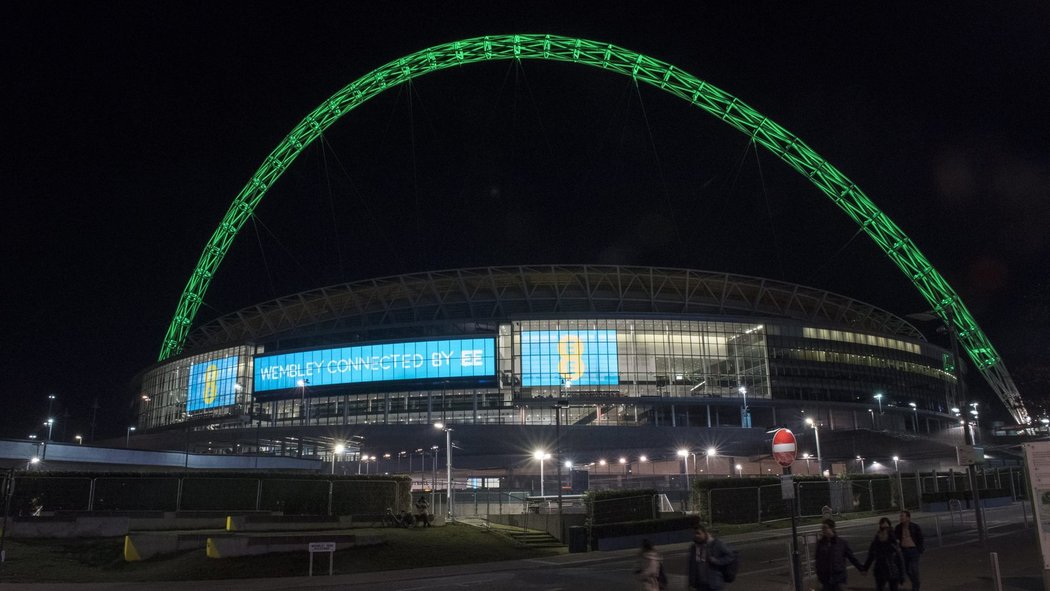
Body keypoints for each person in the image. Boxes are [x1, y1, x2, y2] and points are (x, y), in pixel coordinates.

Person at [815, 518, 864, 591]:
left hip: (838, 578)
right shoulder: (820, 543)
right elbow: (818, 560)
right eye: (822, 528)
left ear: (832, 528)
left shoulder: (841, 543)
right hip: (825, 578)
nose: (823, 530)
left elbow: (852, 558)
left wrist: (861, 569)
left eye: (825, 528)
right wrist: (819, 575)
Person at [861, 517, 905, 591]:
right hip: (880, 570)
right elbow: (871, 555)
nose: (884, 532)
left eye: (886, 528)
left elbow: (900, 558)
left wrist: (902, 575)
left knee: (893, 588)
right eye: (883, 528)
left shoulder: (893, 541)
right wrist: (865, 568)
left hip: (892, 570)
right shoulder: (876, 541)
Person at [687, 525, 735, 590]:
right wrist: (691, 583)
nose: (696, 536)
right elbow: (692, 566)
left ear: (705, 533)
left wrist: (716, 561)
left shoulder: (716, 544)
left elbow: (730, 556)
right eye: (694, 534)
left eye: (698, 533)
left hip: (714, 584)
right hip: (700, 585)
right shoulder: (694, 547)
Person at [894, 510, 924, 590]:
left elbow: (920, 538)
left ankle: (915, 585)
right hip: (904, 551)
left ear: (908, 518)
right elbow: (895, 538)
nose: (901, 518)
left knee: (914, 569)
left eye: (902, 516)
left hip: (913, 550)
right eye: (900, 516)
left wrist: (920, 549)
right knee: (906, 569)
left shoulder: (915, 527)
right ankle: (915, 582)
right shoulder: (898, 528)